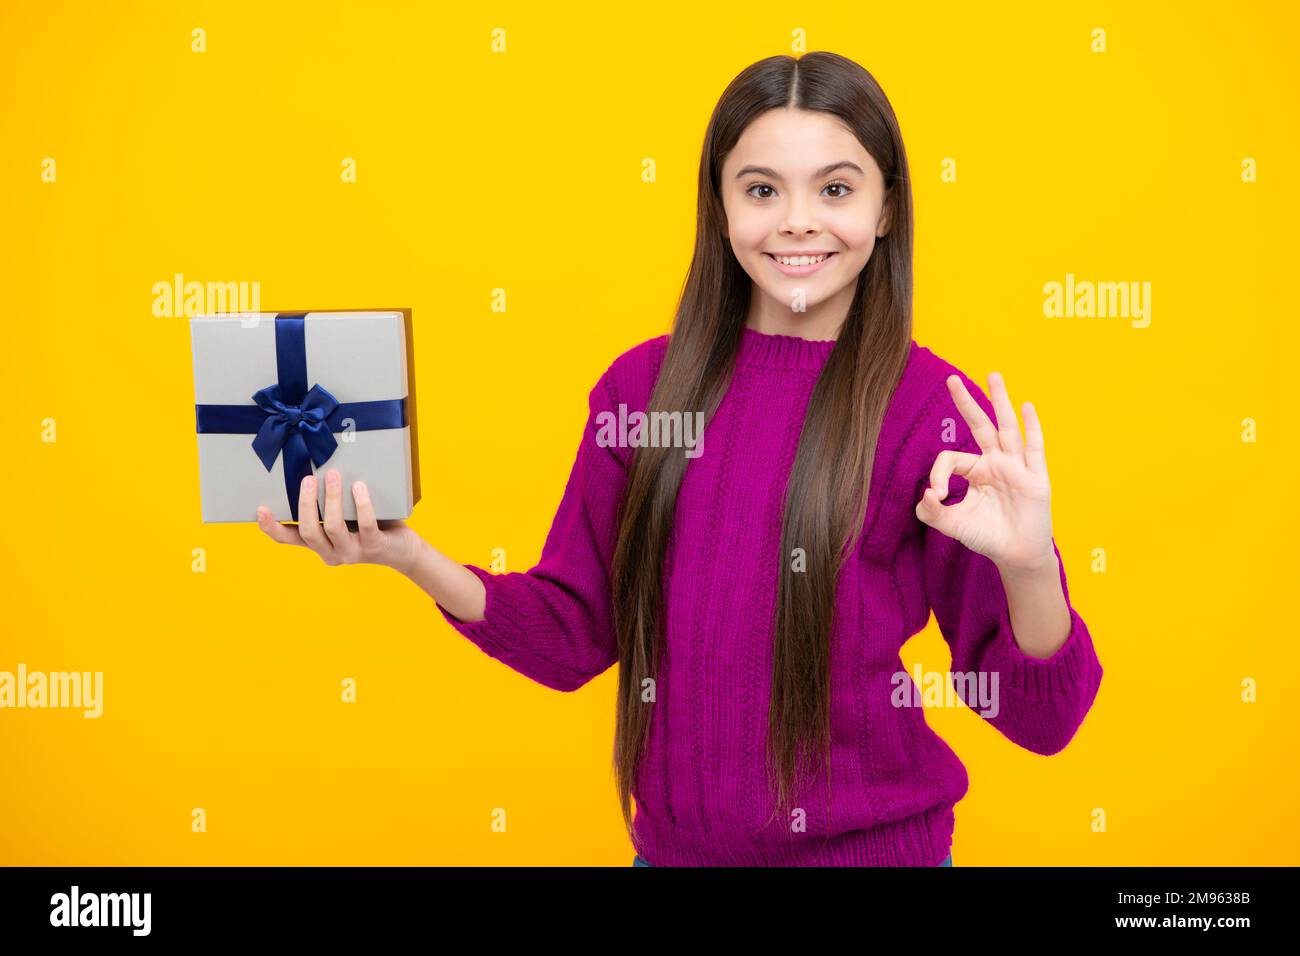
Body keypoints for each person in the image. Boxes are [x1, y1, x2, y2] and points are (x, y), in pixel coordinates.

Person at [257, 51, 1103, 867]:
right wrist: (408, 554)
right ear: (720, 206)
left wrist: (1031, 566)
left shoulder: (936, 415)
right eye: (762, 190)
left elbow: (1044, 722)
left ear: (886, 209)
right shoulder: (642, 393)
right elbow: (572, 633)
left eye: (836, 189)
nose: (798, 220)